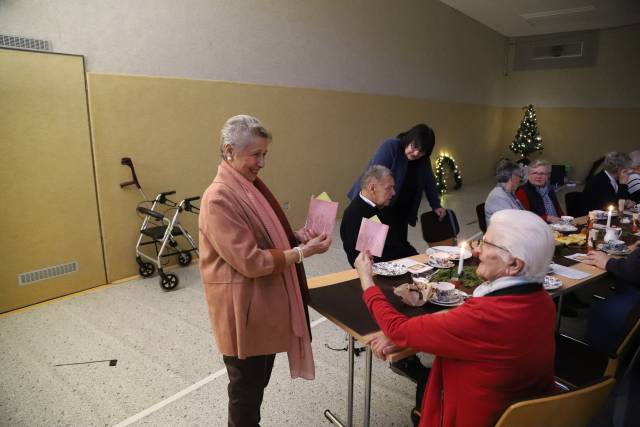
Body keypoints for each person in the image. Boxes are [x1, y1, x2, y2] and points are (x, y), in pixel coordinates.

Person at [356, 209, 556, 427]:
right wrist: (410, 334)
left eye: (487, 245)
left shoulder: (485, 317)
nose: (477, 251)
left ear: (514, 265)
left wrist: (367, 280)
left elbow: (397, 328)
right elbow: (466, 326)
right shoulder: (542, 300)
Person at [198, 115, 331, 426]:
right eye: (256, 154)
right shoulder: (218, 197)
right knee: (245, 396)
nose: (262, 163)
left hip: (260, 309)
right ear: (229, 151)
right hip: (242, 316)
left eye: (265, 154)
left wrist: (295, 236)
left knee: (255, 387)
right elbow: (250, 260)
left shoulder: (246, 186)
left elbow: (263, 234)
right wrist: (301, 252)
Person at [347, 124, 446, 246]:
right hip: (377, 206)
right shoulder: (391, 146)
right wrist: (372, 210)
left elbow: (429, 181)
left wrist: (436, 205)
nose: (415, 153)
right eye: (414, 146)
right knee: (372, 248)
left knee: (398, 246)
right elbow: (374, 177)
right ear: (409, 138)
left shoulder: (424, 160)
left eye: (421, 152)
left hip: (401, 210)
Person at [340, 165, 418, 266]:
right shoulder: (353, 215)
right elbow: (362, 259)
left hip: (402, 263)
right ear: (372, 188)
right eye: (388, 188)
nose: (393, 193)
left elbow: (401, 244)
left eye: (393, 187)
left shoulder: (385, 206)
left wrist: (418, 260)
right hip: (380, 272)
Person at [484, 159, 524, 225]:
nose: (520, 180)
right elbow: (512, 223)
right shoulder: (497, 196)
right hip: (504, 233)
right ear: (512, 177)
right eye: (519, 176)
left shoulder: (509, 192)